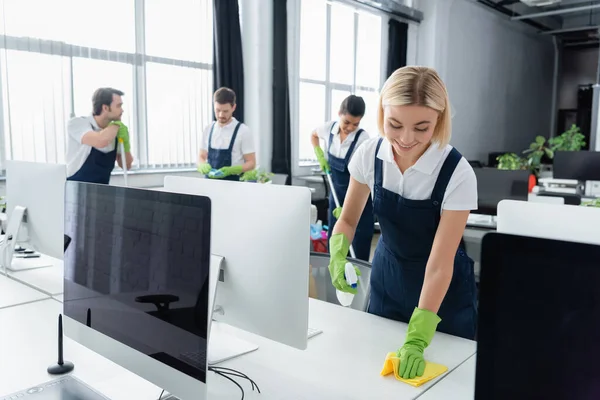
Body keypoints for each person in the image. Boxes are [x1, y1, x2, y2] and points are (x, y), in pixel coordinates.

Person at [328, 66, 478, 379]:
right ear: (383, 113)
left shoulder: (457, 173)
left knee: (448, 385)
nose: (406, 139)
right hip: (388, 281)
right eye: (394, 124)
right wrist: (338, 252)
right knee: (375, 377)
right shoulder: (369, 154)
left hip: (442, 296)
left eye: (421, 128)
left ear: (439, 118)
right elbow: (347, 220)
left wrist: (418, 336)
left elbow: (439, 264)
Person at [311, 95, 374, 261]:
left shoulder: (362, 140)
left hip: (359, 201)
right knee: (336, 241)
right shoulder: (329, 129)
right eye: (346, 122)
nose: (350, 127)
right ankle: (334, 282)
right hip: (337, 195)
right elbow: (314, 135)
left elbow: (366, 176)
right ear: (339, 113)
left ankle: (357, 281)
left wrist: (348, 209)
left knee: (357, 247)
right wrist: (319, 154)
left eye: (356, 124)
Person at [66, 88, 133, 184]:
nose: (122, 110)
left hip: (102, 193)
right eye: (118, 106)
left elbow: (126, 165)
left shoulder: (115, 132)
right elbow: (100, 141)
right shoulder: (78, 123)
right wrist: (116, 125)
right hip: (75, 190)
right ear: (105, 108)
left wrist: (126, 144)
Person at [198, 87, 256, 181]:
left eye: (225, 111)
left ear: (233, 107)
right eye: (217, 110)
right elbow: (201, 156)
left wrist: (232, 170)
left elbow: (251, 163)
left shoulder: (243, 131)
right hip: (209, 184)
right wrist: (202, 165)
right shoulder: (208, 129)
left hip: (233, 185)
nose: (221, 115)